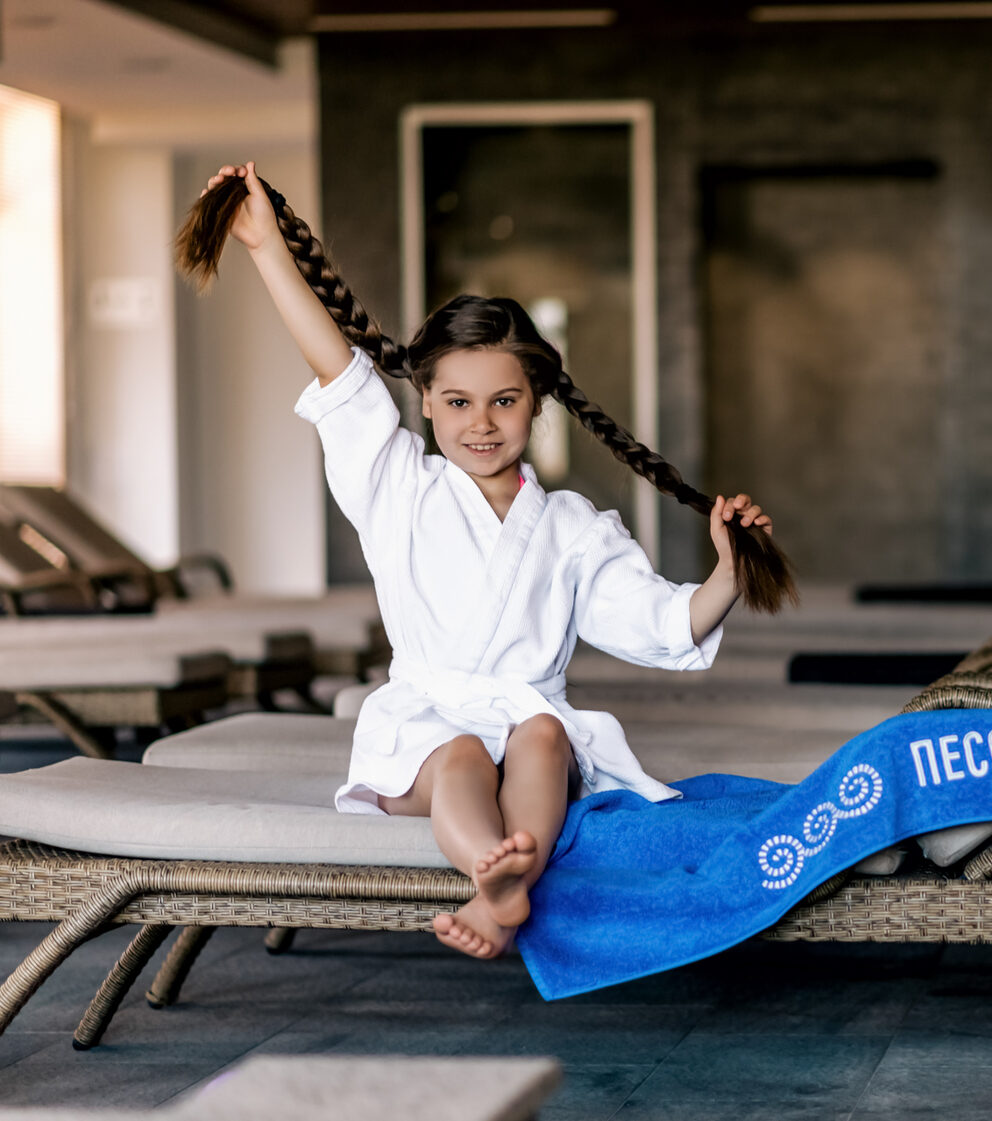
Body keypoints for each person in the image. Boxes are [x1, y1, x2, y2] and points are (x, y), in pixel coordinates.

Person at [182, 162, 796, 960]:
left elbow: (660, 623)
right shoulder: (396, 483)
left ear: (535, 406)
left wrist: (725, 574)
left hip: (527, 730)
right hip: (424, 737)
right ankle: (488, 870)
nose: (481, 423)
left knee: (544, 729)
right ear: (426, 401)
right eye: (459, 402)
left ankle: (514, 870)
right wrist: (267, 249)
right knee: (463, 752)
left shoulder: (573, 524)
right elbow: (337, 371)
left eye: (504, 401)